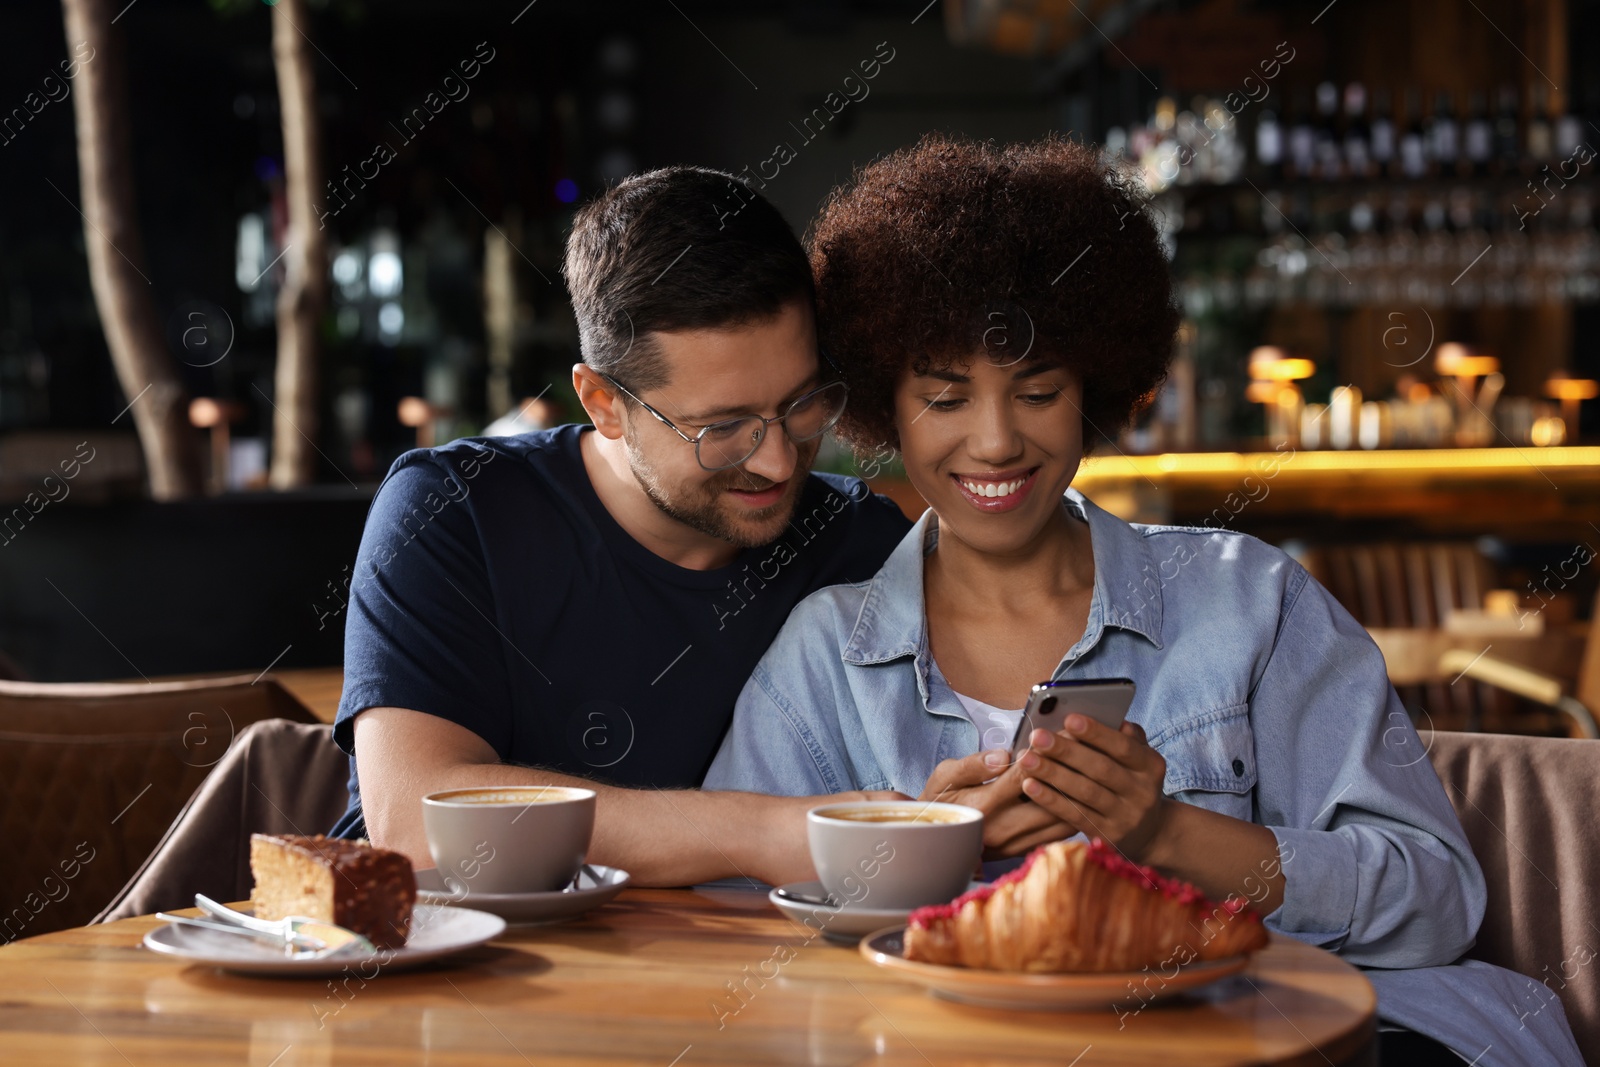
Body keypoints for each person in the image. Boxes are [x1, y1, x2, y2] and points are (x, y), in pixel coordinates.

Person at [704, 135, 1582, 1066]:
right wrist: (924, 853)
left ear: (1095, 391)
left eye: (1038, 391)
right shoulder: (827, 655)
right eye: (946, 399)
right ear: (887, 404)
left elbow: (1436, 902)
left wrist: (1166, 834)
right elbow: (727, 939)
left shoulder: (1249, 601)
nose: (996, 440)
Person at [331, 164, 1071, 888]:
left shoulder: (854, 543)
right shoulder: (456, 512)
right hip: (435, 976)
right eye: (724, 428)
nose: (780, 462)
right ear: (603, 403)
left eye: (803, 404)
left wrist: (927, 822)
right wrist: (772, 832)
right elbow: (416, 824)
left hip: (725, 979)